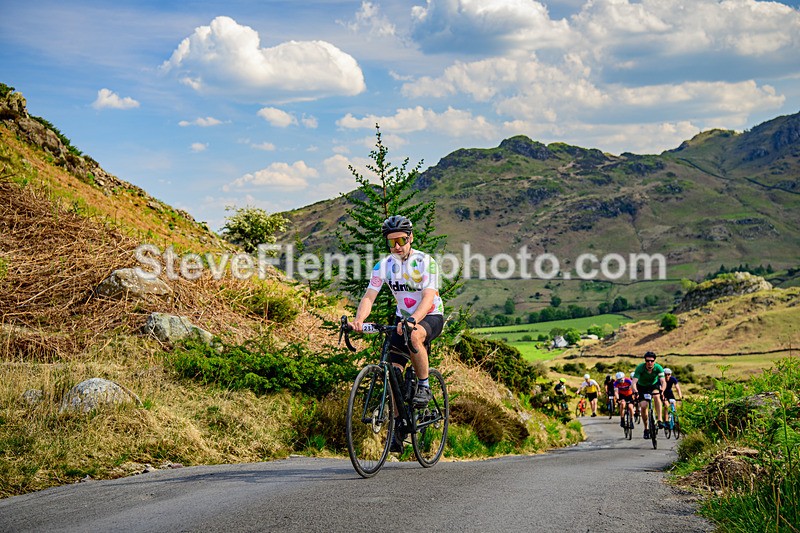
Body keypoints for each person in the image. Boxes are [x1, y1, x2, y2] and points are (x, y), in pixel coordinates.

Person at [352, 215, 445, 452]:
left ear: (410, 237)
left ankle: (424, 385)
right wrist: (359, 320)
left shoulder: (426, 261)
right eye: (391, 241)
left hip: (430, 315)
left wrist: (414, 319)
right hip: (402, 318)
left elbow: (428, 296)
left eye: (401, 240)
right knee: (392, 371)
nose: (397, 246)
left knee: (414, 336)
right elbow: (369, 296)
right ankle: (398, 424)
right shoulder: (383, 266)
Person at [632, 351, 667, 439]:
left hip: (653, 385)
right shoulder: (640, 368)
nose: (649, 363)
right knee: (644, 406)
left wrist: (662, 389)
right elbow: (634, 382)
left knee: (656, 396)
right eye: (647, 361)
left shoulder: (658, 368)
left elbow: (663, 381)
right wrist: (635, 391)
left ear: (654, 361)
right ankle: (646, 428)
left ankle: (659, 420)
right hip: (642, 387)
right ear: (645, 361)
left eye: (651, 361)